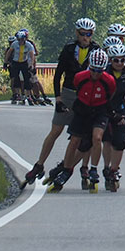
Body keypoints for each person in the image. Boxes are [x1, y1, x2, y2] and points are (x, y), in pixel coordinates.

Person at [21, 18, 99, 189]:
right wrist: (58, 98)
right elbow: (58, 75)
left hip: (86, 97)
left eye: (89, 34)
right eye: (82, 34)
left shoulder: (96, 50)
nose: (85, 37)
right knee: (56, 130)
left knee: (83, 137)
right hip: (68, 93)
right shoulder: (69, 49)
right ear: (76, 33)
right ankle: (39, 164)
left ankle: (68, 166)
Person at [47, 48, 117, 193]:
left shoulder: (109, 80)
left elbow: (110, 95)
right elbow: (78, 90)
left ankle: (93, 168)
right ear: (89, 67)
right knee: (74, 140)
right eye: (93, 70)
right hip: (83, 109)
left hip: (100, 110)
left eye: (99, 71)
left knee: (97, 138)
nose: (96, 74)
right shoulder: (80, 77)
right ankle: (66, 169)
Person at [100, 44, 125, 192]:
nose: (120, 64)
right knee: (107, 139)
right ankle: (107, 168)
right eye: (116, 61)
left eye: (122, 60)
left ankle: (114, 170)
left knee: (120, 141)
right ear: (110, 60)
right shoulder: (104, 72)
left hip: (120, 107)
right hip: (105, 106)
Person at [3, 31, 35, 105]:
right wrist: (5, 62)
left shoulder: (28, 45)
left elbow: (31, 55)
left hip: (24, 62)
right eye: (19, 39)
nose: (20, 41)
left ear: (24, 39)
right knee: (15, 78)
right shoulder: (14, 44)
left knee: (27, 79)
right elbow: (9, 53)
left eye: (21, 39)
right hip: (16, 62)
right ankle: (17, 94)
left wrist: (31, 64)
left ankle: (28, 95)